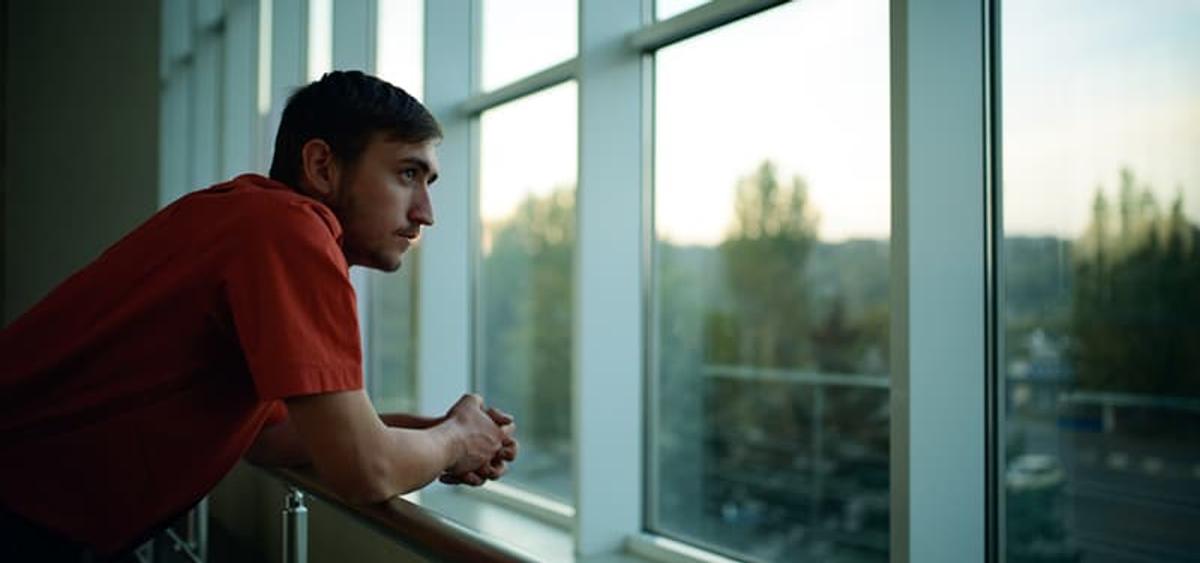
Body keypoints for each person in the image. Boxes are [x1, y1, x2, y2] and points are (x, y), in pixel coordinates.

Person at [0, 70, 517, 562]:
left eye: (429, 182)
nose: (426, 212)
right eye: (408, 173)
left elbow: (271, 438)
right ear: (321, 166)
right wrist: (451, 442)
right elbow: (364, 468)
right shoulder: (288, 231)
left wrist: (432, 433)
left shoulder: (250, 218)